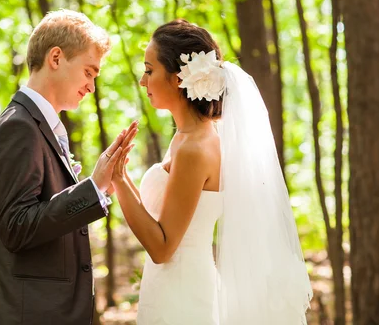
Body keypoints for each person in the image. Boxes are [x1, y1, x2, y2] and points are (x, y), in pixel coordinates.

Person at [112, 19, 313, 324]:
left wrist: (116, 180)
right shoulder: (186, 137)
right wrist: (120, 173)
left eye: (150, 70)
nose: (143, 81)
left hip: (182, 297)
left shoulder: (195, 148)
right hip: (169, 287)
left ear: (178, 78)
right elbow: (162, 216)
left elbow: (163, 247)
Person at [0, 9, 135, 325]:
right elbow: (16, 227)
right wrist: (92, 188)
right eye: (89, 72)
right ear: (56, 58)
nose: (92, 86)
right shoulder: (19, 127)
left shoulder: (39, 126)